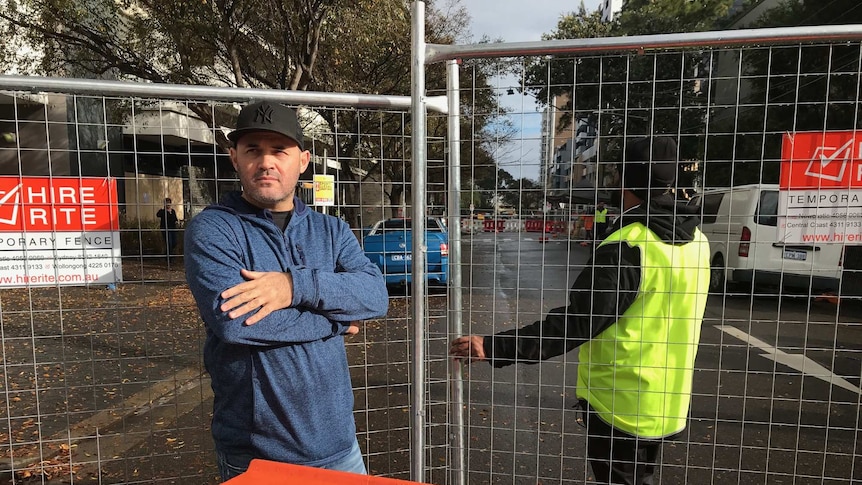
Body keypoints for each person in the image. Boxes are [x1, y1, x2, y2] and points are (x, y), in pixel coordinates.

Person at [450, 136, 710, 485]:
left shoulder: (629, 245)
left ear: (622, 180)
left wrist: (494, 347)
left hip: (621, 404)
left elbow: (576, 323)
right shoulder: (697, 241)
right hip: (670, 400)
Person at [184, 101, 389, 481]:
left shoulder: (332, 231)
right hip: (257, 453)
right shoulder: (214, 229)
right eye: (253, 151)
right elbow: (236, 323)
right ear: (234, 158)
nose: (266, 162)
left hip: (340, 445)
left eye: (279, 150)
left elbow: (375, 295)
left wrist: (294, 285)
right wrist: (335, 323)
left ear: (303, 160)